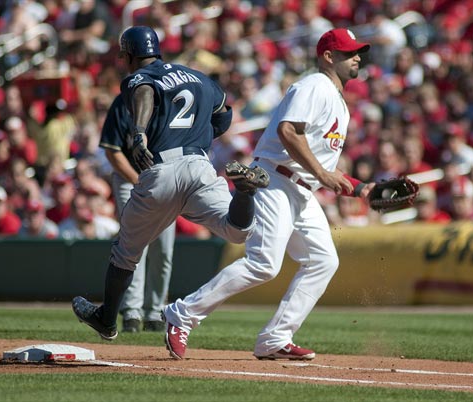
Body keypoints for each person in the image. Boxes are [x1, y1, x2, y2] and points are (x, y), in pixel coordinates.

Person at [163, 28, 376, 361]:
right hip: (276, 180)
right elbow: (288, 131)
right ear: (328, 57)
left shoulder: (338, 103)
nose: (357, 57)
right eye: (349, 52)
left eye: (357, 52)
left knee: (323, 260)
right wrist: (322, 174)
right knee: (264, 263)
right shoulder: (314, 85)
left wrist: (364, 188)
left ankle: (276, 337)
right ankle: (182, 313)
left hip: (301, 190)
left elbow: (320, 161)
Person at [71, 26, 269, 341]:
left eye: (124, 56)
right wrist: (199, 134)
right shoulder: (200, 77)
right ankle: (244, 193)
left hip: (161, 169)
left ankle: (107, 319)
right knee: (236, 230)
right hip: (201, 166)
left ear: (130, 55)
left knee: (126, 253)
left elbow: (144, 91)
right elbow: (224, 115)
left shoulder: (139, 77)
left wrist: (138, 132)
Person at [99, 93, 176, 333]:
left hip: (165, 180)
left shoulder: (168, 103)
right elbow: (113, 151)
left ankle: (155, 311)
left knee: (163, 248)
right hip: (128, 178)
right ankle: (132, 311)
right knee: (134, 244)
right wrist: (139, 182)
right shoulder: (123, 103)